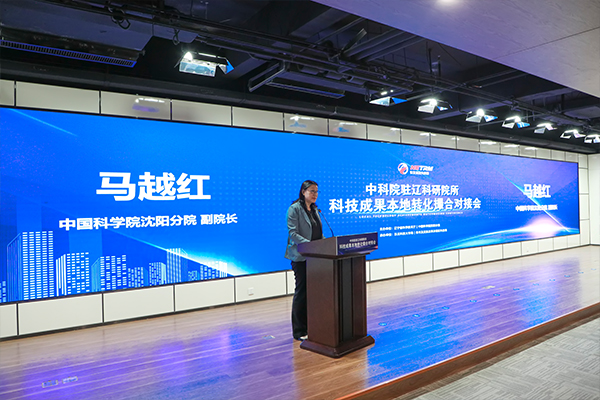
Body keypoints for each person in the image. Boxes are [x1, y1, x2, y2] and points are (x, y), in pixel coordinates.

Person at [285, 180, 323, 341]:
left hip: (315, 257)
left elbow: (318, 232)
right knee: (302, 292)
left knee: (314, 292)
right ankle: (299, 331)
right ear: (303, 192)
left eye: (317, 191)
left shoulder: (315, 209)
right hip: (301, 256)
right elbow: (293, 233)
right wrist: (310, 245)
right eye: (312, 191)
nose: (315, 194)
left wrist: (326, 244)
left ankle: (312, 326)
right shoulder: (294, 209)